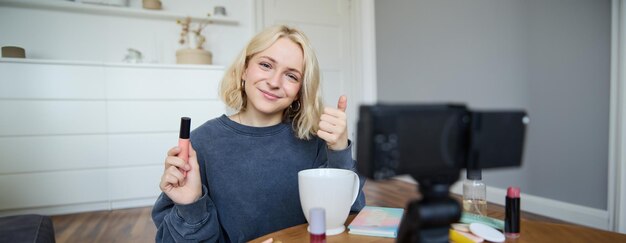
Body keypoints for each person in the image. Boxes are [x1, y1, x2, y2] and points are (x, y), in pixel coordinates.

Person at [152, 25, 366, 243]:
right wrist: (191, 206)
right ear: (244, 69)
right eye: (265, 65)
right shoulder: (202, 143)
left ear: (299, 92)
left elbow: (348, 220)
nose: (274, 82)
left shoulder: (315, 142)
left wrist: (340, 152)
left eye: (291, 76)